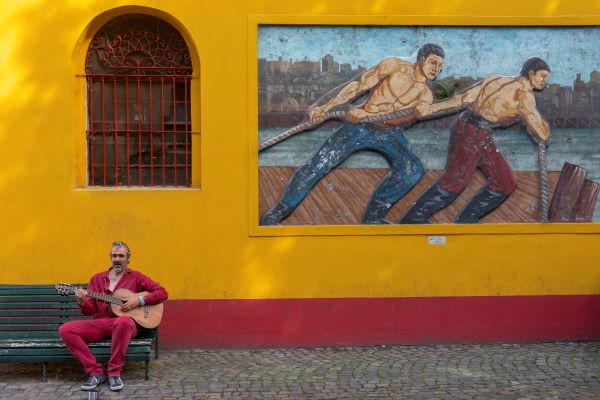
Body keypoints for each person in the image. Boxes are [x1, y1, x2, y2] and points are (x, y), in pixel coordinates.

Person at [260, 43, 445, 225]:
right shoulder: (393, 65)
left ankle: (373, 217)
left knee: (413, 169)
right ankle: (277, 213)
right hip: (359, 127)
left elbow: (400, 121)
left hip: (389, 134)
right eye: (433, 63)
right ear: (421, 60)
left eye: (440, 66)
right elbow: (356, 86)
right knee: (318, 164)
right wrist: (323, 109)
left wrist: (375, 115)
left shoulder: (425, 96)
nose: (437, 69)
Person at [400, 57, 551, 224]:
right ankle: (414, 218)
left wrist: (432, 108)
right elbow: (543, 134)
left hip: (472, 130)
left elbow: (463, 98)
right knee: (455, 181)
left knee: (504, 182)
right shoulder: (524, 96)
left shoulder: (496, 80)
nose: (545, 81)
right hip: (473, 135)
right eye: (542, 76)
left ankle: (466, 219)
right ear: (531, 73)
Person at [58, 241, 168, 391]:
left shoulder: (136, 277)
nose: (117, 259)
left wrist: (139, 300)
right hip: (101, 324)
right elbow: (89, 310)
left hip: (124, 325)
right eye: (114, 256)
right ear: (110, 257)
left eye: (121, 256)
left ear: (128, 258)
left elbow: (162, 293)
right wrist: (82, 301)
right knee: (66, 329)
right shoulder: (97, 279)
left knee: (123, 321)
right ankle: (95, 372)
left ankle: (114, 373)